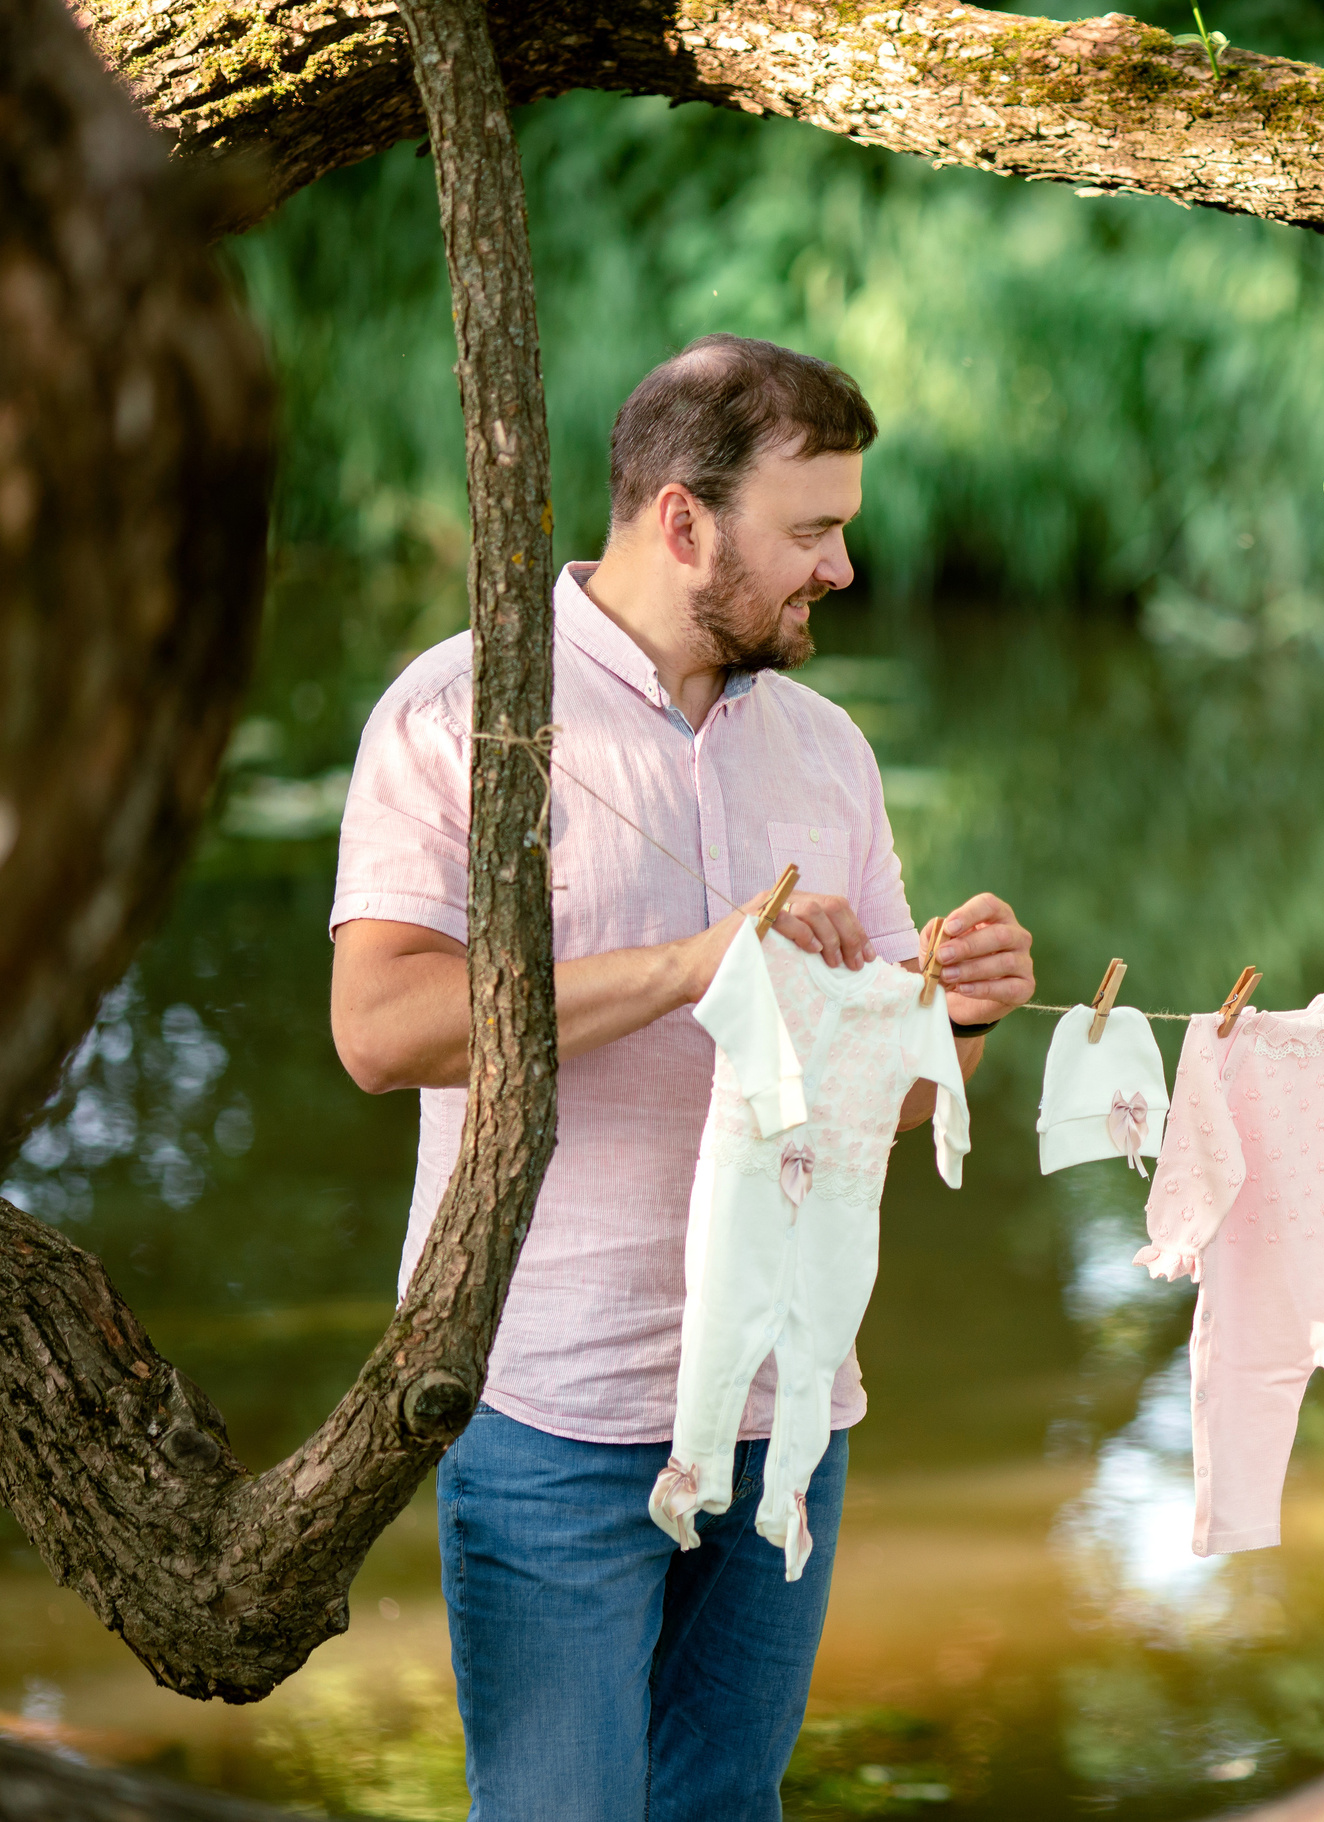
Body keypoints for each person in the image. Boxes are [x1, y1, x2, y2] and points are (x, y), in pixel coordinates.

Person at [327, 334, 1036, 1818]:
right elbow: (380, 1028)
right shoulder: (459, 710)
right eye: (813, 529)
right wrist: (697, 965)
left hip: (790, 1409)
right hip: (550, 1409)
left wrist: (955, 1022)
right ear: (681, 520)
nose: (843, 566)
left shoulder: (830, 751)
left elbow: (892, 1101)